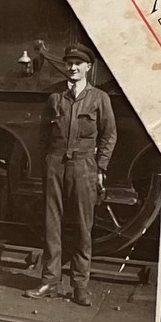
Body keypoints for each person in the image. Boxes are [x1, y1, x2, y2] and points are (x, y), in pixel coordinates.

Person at [31, 44, 116, 307]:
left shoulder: (99, 98)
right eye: (69, 63)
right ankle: (50, 282)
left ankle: (80, 286)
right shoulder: (55, 99)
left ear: (88, 67)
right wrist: (47, 164)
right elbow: (43, 136)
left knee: (82, 227)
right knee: (51, 224)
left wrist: (100, 167)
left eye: (78, 63)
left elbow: (109, 135)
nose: (73, 67)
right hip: (55, 164)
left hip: (84, 166)